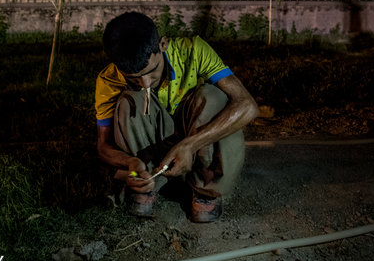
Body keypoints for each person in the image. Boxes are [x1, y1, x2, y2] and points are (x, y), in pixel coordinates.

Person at [95, 12, 259, 222]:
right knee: (129, 101)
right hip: (154, 154)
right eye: (133, 78)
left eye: (152, 71)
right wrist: (131, 163)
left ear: (163, 44)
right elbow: (103, 146)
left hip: (195, 136)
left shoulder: (194, 50)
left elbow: (248, 106)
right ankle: (147, 183)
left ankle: (205, 188)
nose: (145, 83)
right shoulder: (108, 80)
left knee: (213, 97)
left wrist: (191, 145)